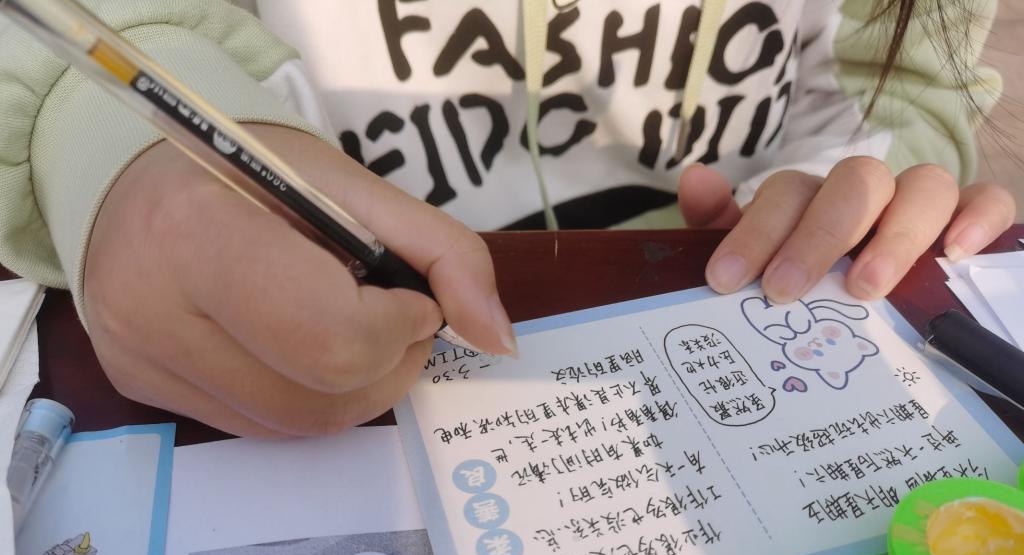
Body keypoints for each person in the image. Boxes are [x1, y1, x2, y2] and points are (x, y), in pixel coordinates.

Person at [0, 0, 1015, 438]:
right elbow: (64, 37)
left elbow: (907, 74)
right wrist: (103, 138)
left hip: (743, 324)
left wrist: (855, 182)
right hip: (309, 339)